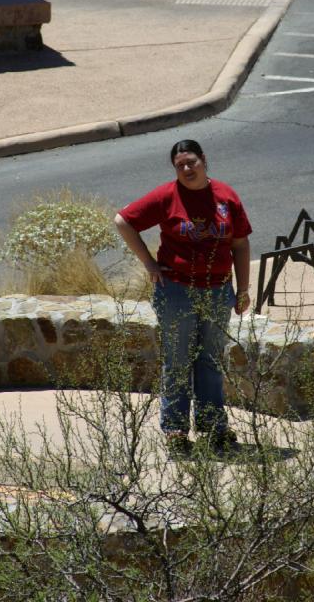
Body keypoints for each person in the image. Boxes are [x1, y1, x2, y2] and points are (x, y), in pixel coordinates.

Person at [115, 139, 252, 455]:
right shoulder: (167, 196)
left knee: (210, 359)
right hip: (177, 291)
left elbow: (241, 245)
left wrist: (243, 289)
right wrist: (149, 263)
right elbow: (123, 221)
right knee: (177, 361)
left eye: (192, 162)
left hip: (218, 290)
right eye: (180, 165)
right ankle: (175, 431)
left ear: (204, 160)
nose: (187, 169)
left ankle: (213, 427)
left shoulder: (225, 196)